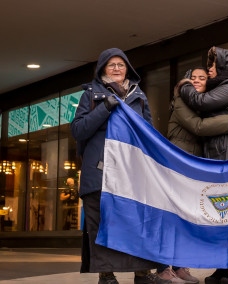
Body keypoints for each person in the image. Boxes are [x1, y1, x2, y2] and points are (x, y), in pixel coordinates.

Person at [70, 48, 170, 284]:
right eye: (111, 64)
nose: (116, 68)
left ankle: (143, 273)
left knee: (137, 222)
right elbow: (78, 130)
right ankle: (107, 276)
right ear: (103, 69)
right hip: (100, 172)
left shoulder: (139, 95)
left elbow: (148, 134)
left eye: (121, 64)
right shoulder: (91, 94)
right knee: (102, 225)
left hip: (132, 175)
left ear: (128, 69)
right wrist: (105, 107)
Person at [158, 67, 228, 283]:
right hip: (178, 165)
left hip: (194, 169)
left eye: (202, 78)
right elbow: (199, 127)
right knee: (171, 219)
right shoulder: (181, 101)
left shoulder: (204, 104)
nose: (197, 81)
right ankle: (163, 268)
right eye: (193, 78)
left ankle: (180, 267)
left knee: (186, 219)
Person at [178, 47, 228, 284]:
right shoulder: (224, 87)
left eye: (213, 66)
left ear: (225, 67)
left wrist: (184, 86)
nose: (209, 70)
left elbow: (201, 101)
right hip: (221, 155)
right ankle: (222, 268)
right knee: (221, 215)